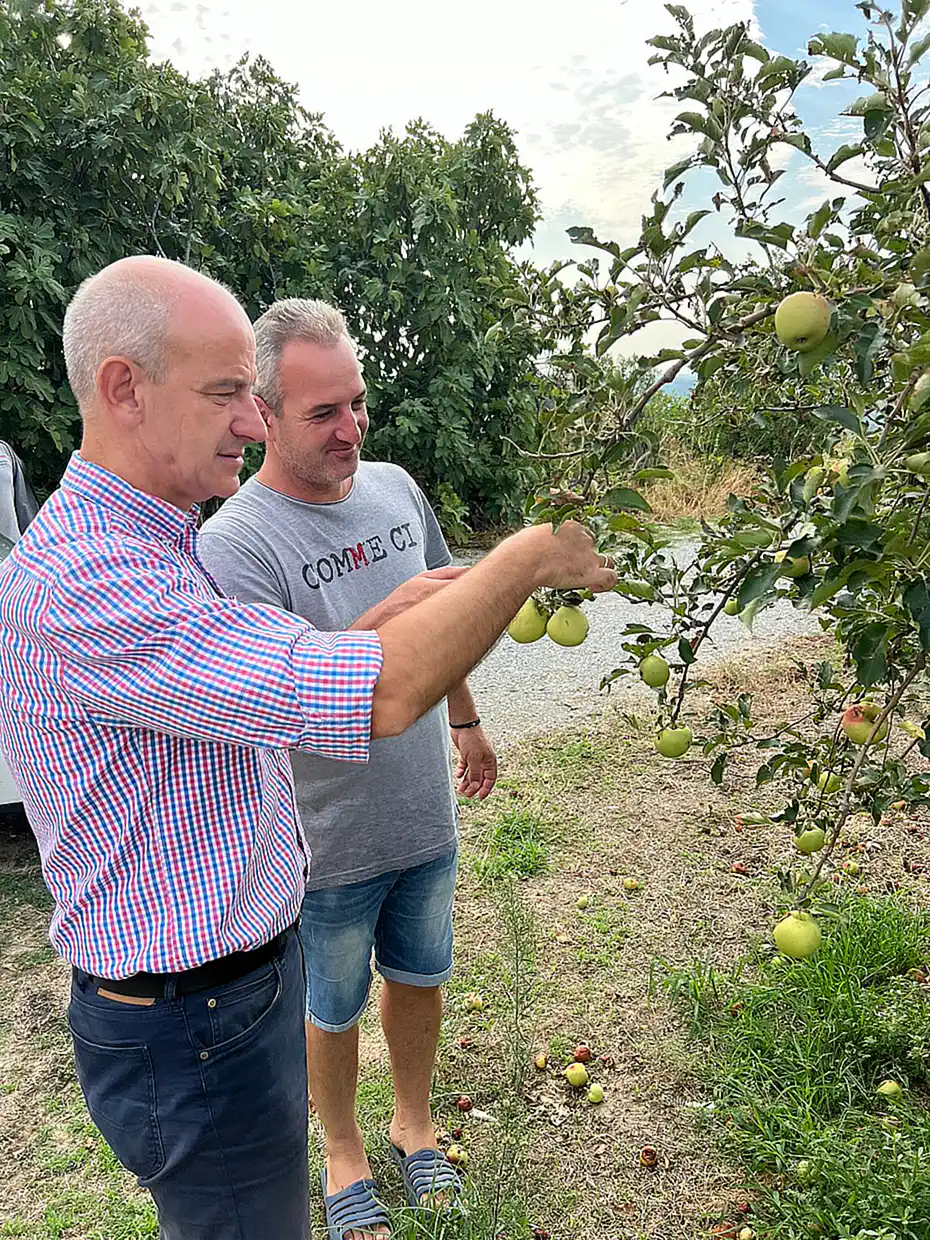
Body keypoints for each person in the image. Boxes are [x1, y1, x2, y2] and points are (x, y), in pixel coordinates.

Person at [0, 256, 616, 1240]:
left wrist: (404, 633)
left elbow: (254, 682)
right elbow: (362, 694)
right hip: (191, 1026)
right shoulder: (92, 579)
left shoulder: (156, 543)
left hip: (230, 997)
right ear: (124, 388)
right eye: (227, 394)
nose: (251, 420)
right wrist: (532, 555)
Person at [199, 298, 497, 1237]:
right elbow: (267, 696)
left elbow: (452, 615)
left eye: (357, 404)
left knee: (420, 975)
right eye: (323, 412)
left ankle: (414, 1126)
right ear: (267, 411)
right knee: (329, 1008)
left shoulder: (398, 490)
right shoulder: (236, 544)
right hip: (320, 839)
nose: (350, 428)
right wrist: (393, 610)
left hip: (420, 814)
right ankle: (342, 1150)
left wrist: (467, 719)